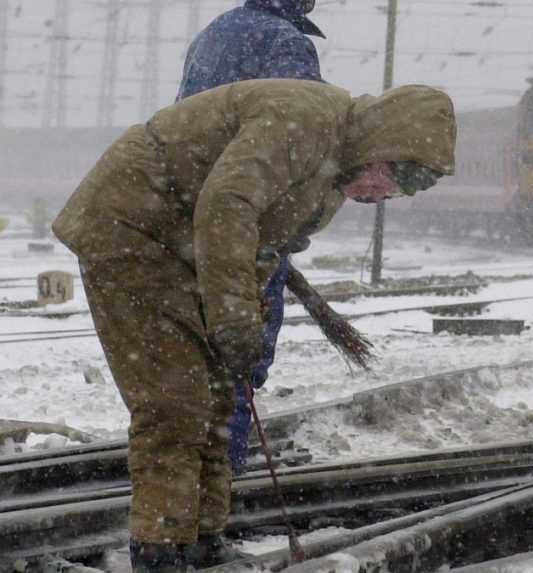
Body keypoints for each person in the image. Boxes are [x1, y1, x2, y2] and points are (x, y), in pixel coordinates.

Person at [52, 79, 455, 571]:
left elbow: (265, 245)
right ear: (380, 140)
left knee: (222, 397)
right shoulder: (303, 121)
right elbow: (227, 204)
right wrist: (233, 317)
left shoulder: (332, 181)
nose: (382, 191)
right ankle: (160, 551)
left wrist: (247, 317)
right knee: (175, 402)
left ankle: (201, 539)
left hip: (188, 248)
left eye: (400, 189)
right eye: (393, 173)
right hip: (133, 227)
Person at [178, 0, 325, 477]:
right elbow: (304, 136)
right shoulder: (283, 43)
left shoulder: (214, 34)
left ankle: (186, 487)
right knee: (238, 359)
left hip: (193, 215)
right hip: (249, 219)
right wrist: (291, 221)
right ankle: (220, 487)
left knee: (196, 359)